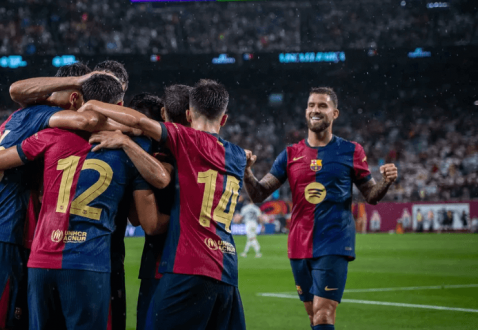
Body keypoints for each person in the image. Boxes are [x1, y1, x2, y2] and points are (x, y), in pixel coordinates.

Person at [0, 74, 170, 330]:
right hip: (90, 261)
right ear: (120, 104)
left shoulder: (50, 135)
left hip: (41, 261)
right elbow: (147, 206)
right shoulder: (133, 148)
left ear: (78, 98)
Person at [80, 79, 250, 330]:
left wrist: (95, 106)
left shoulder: (187, 139)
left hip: (190, 266)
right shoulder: (238, 155)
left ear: (190, 116)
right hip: (227, 271)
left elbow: (138, 121)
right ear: (224, 120)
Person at [243, 87, 398, 330]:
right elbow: (259, 194)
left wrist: (386, 182)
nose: (315, 110)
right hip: (298, 243)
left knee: (324, 313)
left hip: (335, 240)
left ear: (334, 113)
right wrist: (246, 171)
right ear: (306, 111)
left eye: (322, 106)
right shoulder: (290, 154)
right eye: (311, 105)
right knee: (313, 316)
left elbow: (371, 196)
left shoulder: (350, 151)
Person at [93, 84, 192, 330]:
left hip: (159, 263)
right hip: (197, 262)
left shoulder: (149, 157)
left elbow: (143, 221)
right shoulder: (198, 150)